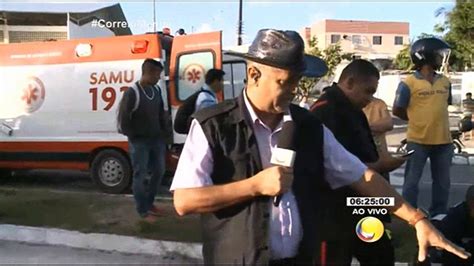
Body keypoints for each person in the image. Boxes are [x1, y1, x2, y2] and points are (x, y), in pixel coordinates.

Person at [170, 29, 469, 265]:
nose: (293, 91)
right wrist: (254, 186)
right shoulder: (213, 125)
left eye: (297, 82)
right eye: (285, 82)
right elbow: (184, 201)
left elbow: (361, 176)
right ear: (254, 74)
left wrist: (416, 219)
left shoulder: (308, 126)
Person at [310, 59, 406, 265]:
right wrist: (381, 165)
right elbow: (333, 167)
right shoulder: (325, 111)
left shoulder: (353, 110)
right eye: (368, 91)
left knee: (381, 257)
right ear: (350, 82)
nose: (370, 99)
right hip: (337, 211)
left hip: (364, 204)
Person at [392, 37, 454, 217]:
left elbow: (444, 105)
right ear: (424, 56)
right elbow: (398, 109)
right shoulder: (408, 84)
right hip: (417, 141)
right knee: (411, 182)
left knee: (442, 182)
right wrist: (415, 120)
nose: (441, 58)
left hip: (444, 142)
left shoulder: (445, 82)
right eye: (438, 54)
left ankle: (439, 214)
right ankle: (410, 215)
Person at [117, 59, 169, 223]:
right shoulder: (132, 92)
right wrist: (135, 136)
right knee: (140, 175)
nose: (158, 77)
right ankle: (142, 210)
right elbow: (123, 120)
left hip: (157, 140)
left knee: (159, 171)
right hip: (140, 142)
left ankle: (149, 203)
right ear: (148, 72)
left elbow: (161, 114)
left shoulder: (157, 90)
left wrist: (164, 134)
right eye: (157, 74)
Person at [363, 96, 396, 181]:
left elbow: (389, 124)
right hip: (361, 158)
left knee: (382, 186)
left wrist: (365, 128)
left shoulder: (379, 104)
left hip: (380, 156)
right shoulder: (350, 106)